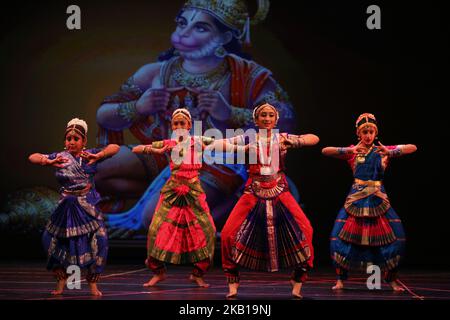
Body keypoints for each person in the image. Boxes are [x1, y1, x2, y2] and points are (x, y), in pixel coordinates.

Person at [94, 0, 300, 237]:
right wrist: (138, 106)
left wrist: (230, 113)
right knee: (94, 170)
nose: (183, 33)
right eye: (182, 23)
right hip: (167, 155)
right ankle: (162, 198)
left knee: (156, 219)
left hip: (219, 161)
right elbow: (105, 115)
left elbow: (285, 121)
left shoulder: (249, 76)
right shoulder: (156, 73)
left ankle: (227, 207)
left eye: (200, 28)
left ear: (225, 37)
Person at [133, 108, 246, 288]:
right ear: (172, 126)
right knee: (156, 229)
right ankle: (158, 272)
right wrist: (154, 148)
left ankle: (198, 273)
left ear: (189, 125)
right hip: (172, 191)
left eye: (182, 123)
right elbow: (137, 149)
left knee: (207, 229)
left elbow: (221, 144)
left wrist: (242, 146)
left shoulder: (198, 141)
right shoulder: (168, 143)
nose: (179, 126)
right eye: (176, 123)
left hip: (193, 191)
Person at [221, 103, 318, 298]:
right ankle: (232, 279)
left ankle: (298, 278)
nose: (267, 118)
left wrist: (296, 143)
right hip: (253, 190)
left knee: (306, 229)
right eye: (263, 115)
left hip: (280, 189)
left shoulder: (283, 138)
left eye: (270, 115)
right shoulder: (249, 138)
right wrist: (240, 146)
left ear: (276, 120)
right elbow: (223, 143)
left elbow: (314, 138)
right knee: (227, 235)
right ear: (256, 120)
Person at [322, 113, 417, 291]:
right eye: (364, 132)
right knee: (340, 238)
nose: (368, 135)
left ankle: (392, 280)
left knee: (394, 237)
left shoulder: (383, 150)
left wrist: (391, 152)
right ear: (359, 134)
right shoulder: (353, 151)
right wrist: (347, 151)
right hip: (356, 199)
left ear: (375, 133)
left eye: (371, 132)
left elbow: (413, 147)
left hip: (378, 198)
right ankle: (340, 279)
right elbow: (325, 150)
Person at [28, 118, 120, 296]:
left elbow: (114, 147)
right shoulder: (59, 157)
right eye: (68, 138)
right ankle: (61, 281)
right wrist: (46, 161)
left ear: (84, 141)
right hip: (66, 208)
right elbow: (32, 156)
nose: (71, 142)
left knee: (100, 240)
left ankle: (93, 283)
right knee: (50, 240)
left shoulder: (90, 156)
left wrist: (99, 155)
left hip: (87, 206)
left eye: (76, 139)